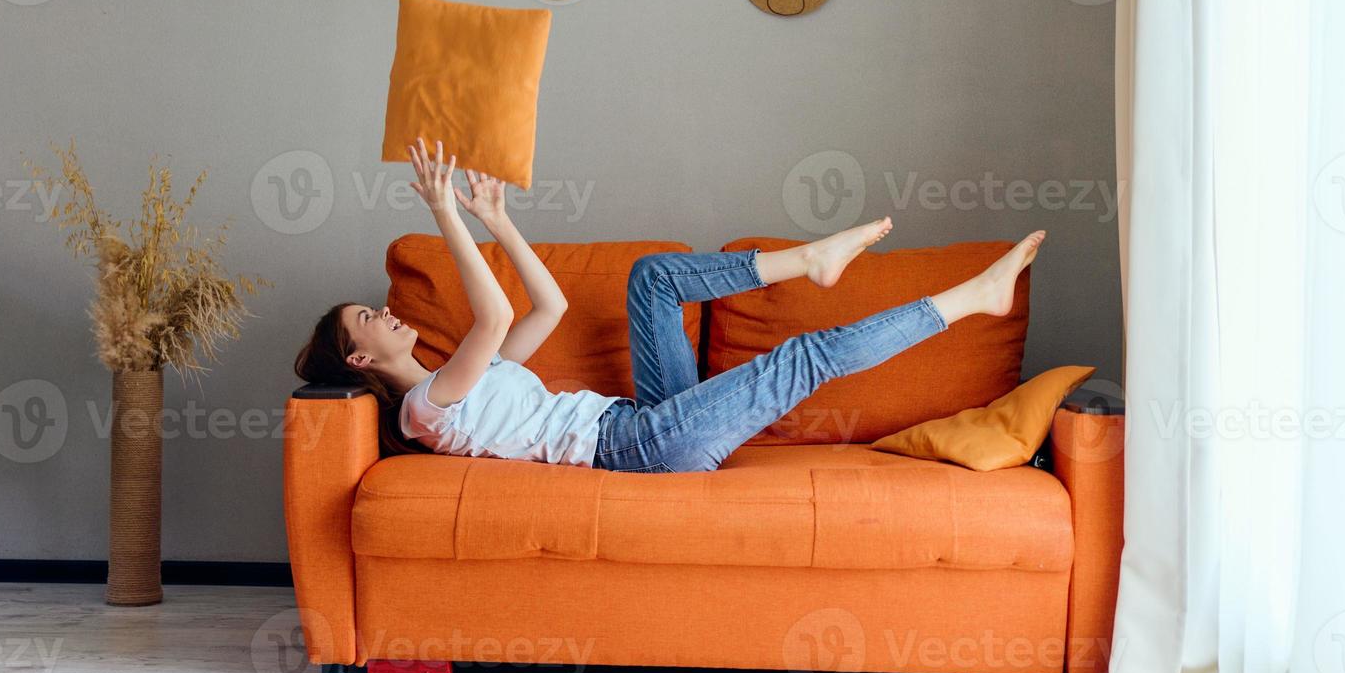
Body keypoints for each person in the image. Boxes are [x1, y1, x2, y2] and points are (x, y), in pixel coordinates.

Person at [295, 139, 1045, 473]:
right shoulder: (423, 406)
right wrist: (446, 214)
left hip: (641, 424)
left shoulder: (461, 382)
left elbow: (546, 307)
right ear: (361, 360)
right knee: (804, 357)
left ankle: (808, 260)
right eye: (369, 319)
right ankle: (973, 297)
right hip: (644, 452)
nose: (384, 313)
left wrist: (499, 220)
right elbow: (492, 319)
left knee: (652, 278)